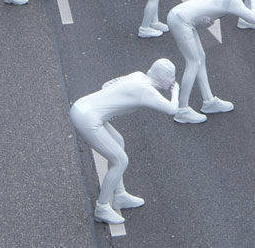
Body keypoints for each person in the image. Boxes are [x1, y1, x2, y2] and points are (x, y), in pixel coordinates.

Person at [69, 59, 181, 225]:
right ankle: (102, 207)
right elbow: (172, 109)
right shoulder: (146, 90)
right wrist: (176, 91)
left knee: (118, 141)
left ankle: (119, 194)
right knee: (120, 160)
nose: (173, 80)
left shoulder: (138, 75)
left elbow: (107, 84)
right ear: (163, 78)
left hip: (83, 106)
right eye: (171, 77)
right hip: (88, 118)